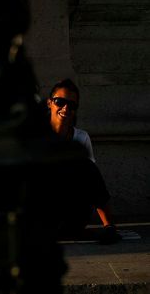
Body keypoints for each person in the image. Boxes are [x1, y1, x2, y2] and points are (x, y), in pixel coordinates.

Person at [46, 78, 121, 244]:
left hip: (71, 216)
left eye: (72, 105)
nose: (65, 108)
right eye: (60, 102)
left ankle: (109, 226)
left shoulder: (81, 137)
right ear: (49, 103)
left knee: (87, 166)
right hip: (41, 215)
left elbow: (92, 181)